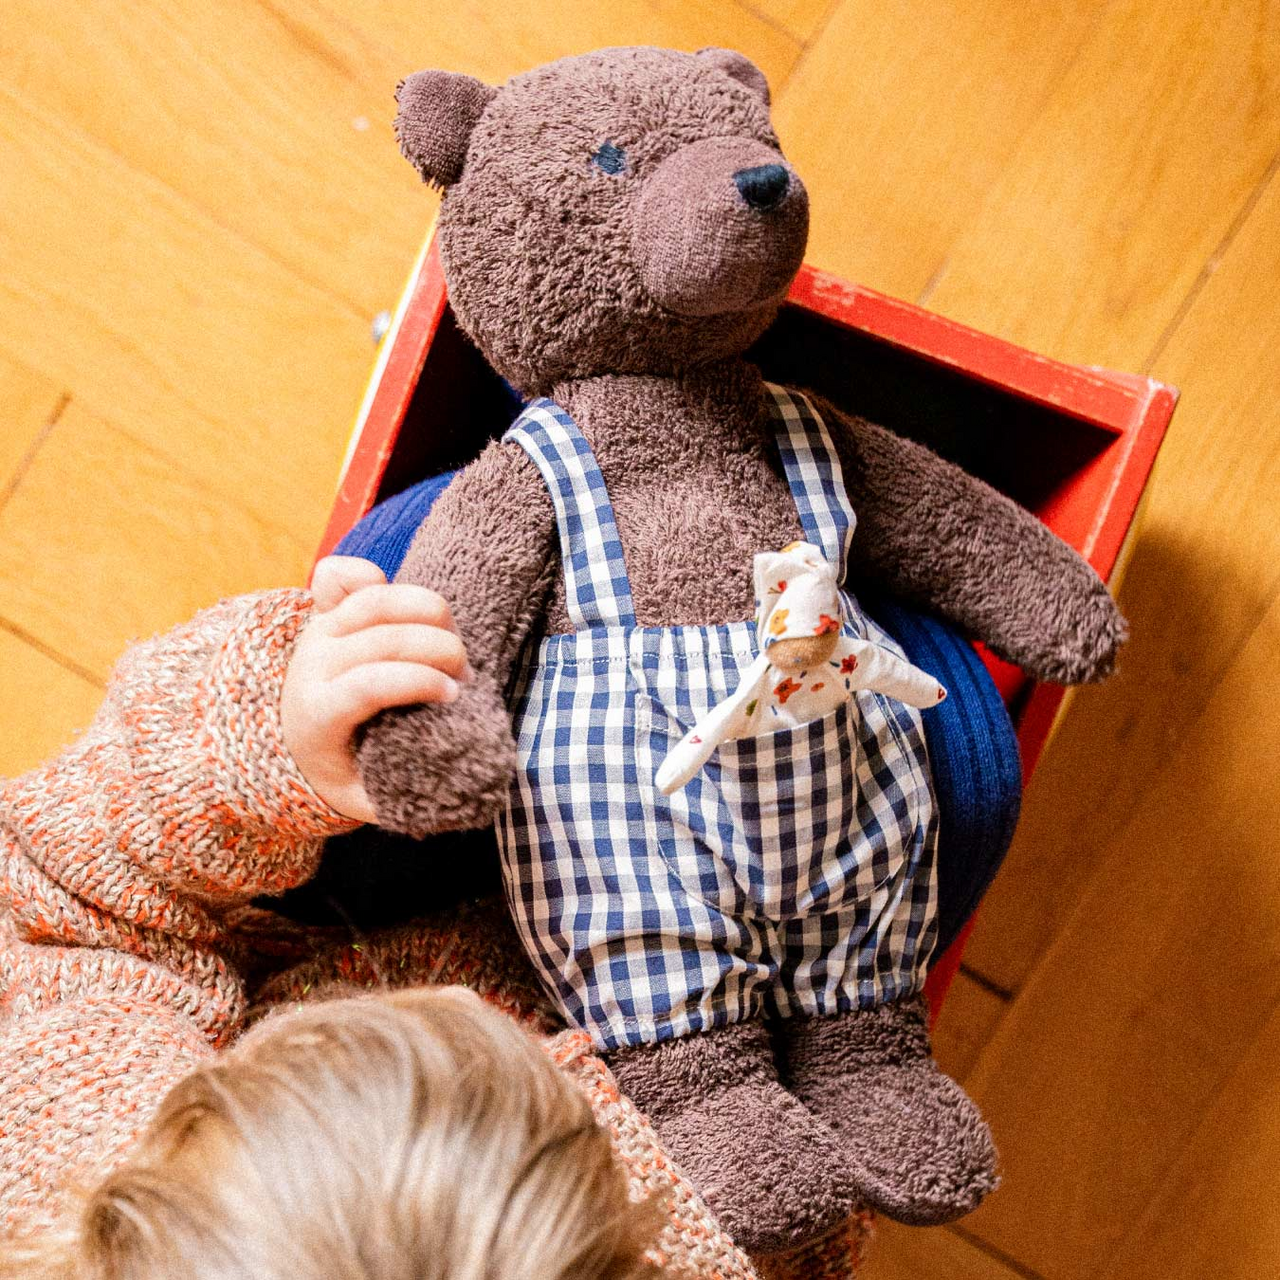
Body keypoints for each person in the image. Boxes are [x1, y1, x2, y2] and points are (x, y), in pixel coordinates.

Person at [0, 557, 749, 1279]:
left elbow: (63, 895)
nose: (463, 1002)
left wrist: (265, 748)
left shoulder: (74, 1149)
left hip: (325, 920)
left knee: (397, 621)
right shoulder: (712, 1230)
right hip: (708, 1041)